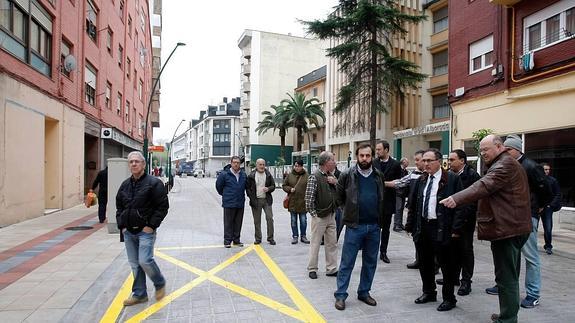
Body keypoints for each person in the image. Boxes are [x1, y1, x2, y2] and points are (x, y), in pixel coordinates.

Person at [440, 135, 532, 323]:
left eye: (485, 149)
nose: (482, 153)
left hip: (507, 229)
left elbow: (482, 185)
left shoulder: (504, 165)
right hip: (511, 227)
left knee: (506, 278)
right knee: (509, 276)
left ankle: (507, 319)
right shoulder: (507, 162)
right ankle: (507, 314)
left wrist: (455, 198)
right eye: (480, 150)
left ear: (499, 147)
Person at [483, 134, 552, 309]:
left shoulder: (530, 166)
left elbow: (546, 189)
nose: (505, 151)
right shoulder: (506, 164)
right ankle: (505, 287)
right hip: (510, 218)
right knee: (512, 255)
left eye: (508, 149)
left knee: (531, 257)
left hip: (526, 217)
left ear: (517, 150)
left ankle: (533, 294)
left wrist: (538, 207)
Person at [404, 148, 464, 312]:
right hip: (423, 227)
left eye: (429, 160)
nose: (425, 164)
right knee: (425, 263)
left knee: (446, 265)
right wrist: (410, 225)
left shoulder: (451, 179)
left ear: (439, 161)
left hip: (442, 227)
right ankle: (429, 292)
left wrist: (455, 229)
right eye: (424, 160)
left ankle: (449, 298)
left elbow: (460, 205)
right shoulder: (421, 179)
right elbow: (413, 205)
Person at [333, 144, 385, 311]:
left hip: (374, 227)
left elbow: (381, 197)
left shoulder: (378, 175)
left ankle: (364, 292)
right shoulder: (347, 174)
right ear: (357, 156)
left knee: (370, 262)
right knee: (347, 262)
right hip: (355, 227)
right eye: (361, 156)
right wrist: (347, 212)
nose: (364, 159)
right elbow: (339, 197)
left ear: (372, 157)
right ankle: (340, 295)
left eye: (368, 156)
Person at [116, 151, 169, 306]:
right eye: (131, 162)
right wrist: (122, 225)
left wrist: (151, 226)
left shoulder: (154, 183)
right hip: (129, 232)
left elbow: (163, 207)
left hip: (145, 231)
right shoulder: (125, 185)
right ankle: (139, 294)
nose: (133, 164)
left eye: (136, 161)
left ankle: (159, 283)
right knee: (134, 264)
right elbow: (119, 206)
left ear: (144, 164)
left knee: (145, 260)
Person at [445, 149, 480, 296]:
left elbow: (474, 199)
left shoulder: (472, 176)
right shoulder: (449, 175)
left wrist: (463, 216)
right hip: (451, 219)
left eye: (452, 160)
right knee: (453, 249)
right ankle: (453, 277)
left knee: (466, 250)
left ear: (462, 161)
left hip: (466, 220)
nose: (449, 162)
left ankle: (466, 281)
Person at [385, 150, 425, 269]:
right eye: (416, 160)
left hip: (428, 212)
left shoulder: (431, 176)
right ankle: (419, 260)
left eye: (418, 160)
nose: (416, 163)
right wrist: (382, 183)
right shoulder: (414, 174)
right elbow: (399, 183)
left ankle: (433, 264)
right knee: (416, 236)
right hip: (415, 211)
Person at [305, 151, 338, 280]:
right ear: (326, 162)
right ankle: (312, 268)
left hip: (331, 215)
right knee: (315, 243)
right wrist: (314, 215)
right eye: (333, 160)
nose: (335, 163)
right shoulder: (315, 177)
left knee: (332, 243)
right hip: (319, 216)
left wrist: (335, 182)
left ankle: (331, 269)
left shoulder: (332, 176)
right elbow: (308, 198)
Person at [372, 140, 402, 263]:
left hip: (388, 201)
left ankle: (383, 252)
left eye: (379, 149)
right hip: (374, 201)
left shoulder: (395, 164)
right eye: (376, 149)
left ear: (386, 150)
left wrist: (387, 184)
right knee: (374, 228)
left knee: (386, 228)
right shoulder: (373, 163)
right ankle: (371, 250)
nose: (377, 152)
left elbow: (400, 182)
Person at [215, 156, 247, 248]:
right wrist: (226, 195)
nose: (236, 164)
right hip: (229, 203)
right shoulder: (224, 174)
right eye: (234, 162)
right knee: (228, 222)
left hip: (240, 202)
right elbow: (219, 187)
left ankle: (236, 240)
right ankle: (227, 241)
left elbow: (246, 186)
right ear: (231, 163)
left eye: (238, 162)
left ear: (240, 164)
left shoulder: (243, 174)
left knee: (238, 222)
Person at [246, 158, 276, 245]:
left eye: (263, 164)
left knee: (269, 218)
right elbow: (247, 188)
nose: (262, 166)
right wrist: (251, 197)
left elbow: (273, 186)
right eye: (260, 164)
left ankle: (270, 238)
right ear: (256, 165)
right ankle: (258, 238)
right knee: (257, 221)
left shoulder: (268, 174)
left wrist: (269, 189)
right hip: (256, 201)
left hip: (267, 200)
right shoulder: (251, 175)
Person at [282, 160, 310, 244]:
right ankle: (295, 236)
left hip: (303, 202)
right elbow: (284, 185)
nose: (296, 167)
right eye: (295, 166)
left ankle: (303, 236)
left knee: (303, 221)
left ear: (302, 166)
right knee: (293, 221)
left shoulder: (307, 176)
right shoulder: (290, 175)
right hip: (293, 202)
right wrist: (290, 189)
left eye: (298, 166)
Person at [541, 163, 562, 255]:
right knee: (532, 228)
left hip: (547, 208)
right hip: (536, 207)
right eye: (545, 169)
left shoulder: (553, 181)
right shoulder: (536, 180)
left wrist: (550, 205)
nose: (547, 171)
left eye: (548, 169)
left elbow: (558, 194)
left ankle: (548, 246)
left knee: (548, 228)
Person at [394, 157, 409, 232]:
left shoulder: (406, 171)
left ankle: (400, 224)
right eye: (407, 162)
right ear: (403, 162)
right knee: (398, 209)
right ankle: (396, 225)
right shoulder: (398, 170)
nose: (408, 163)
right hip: (398, 193)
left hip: (403, 193)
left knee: (401, 209)